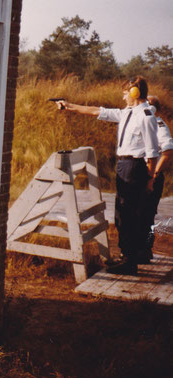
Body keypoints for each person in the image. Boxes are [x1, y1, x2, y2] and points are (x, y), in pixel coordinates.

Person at [55, 77, 159, 275]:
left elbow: (152, 152)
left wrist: (150, 179)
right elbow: (97, 111)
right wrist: (70, 106)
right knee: (122, 214)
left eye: (125, 92)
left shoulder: (145, 116)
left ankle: (130, 262)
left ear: (135, 93)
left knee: (129, 214)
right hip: (124, 165)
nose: (123, 96)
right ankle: (126, 256)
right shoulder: (128, 113)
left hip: (134, 166)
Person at [139, 96, 173, 262]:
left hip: (152, 177)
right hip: (140, 175)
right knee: (138, 214)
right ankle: (137, 252)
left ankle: (145, 252)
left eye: (149, 104)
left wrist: (154, 174)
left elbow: (167, 152)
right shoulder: (145, 124)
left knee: (147, 215)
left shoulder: (159, 126)